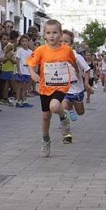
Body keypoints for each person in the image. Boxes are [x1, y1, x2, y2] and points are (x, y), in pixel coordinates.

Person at [26, 19, 78, 157]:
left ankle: (63, 116)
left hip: (61, 85)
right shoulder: (40, 50)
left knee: (55, 106)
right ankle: (45, 139)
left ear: (60, 35)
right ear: (44, 35)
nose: (51, 36)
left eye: (55, 33)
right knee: (45, 117)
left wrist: (77, 74)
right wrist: (33, 73)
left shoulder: (66, 50)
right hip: (45, 87)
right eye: (48, 33)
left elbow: (73, 62)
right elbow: (31, 64)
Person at [61, 30, 92, 137]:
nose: (63, 44)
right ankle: (66, 129)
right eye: (61, 41)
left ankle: (72, 109)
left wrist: (87, 83)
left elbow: (87, 69)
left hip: (77, 90)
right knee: (63, 106)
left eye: (66, 41)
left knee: (80, 112)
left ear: (71, 44)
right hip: (64, 89)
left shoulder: (77, 57)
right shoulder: (57, 56)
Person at [14, 35, 33, 108]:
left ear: (28, 42)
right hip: (21, 71)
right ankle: (18, 101)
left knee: (25, 87)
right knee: (19, 87)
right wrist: (18, 70)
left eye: (26, 41)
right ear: (20, 42)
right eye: (22, 41)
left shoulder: (30, 51)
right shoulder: (20, 50)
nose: (24, 43)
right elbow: (17, 61)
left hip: (27, 71)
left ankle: (24, 100)